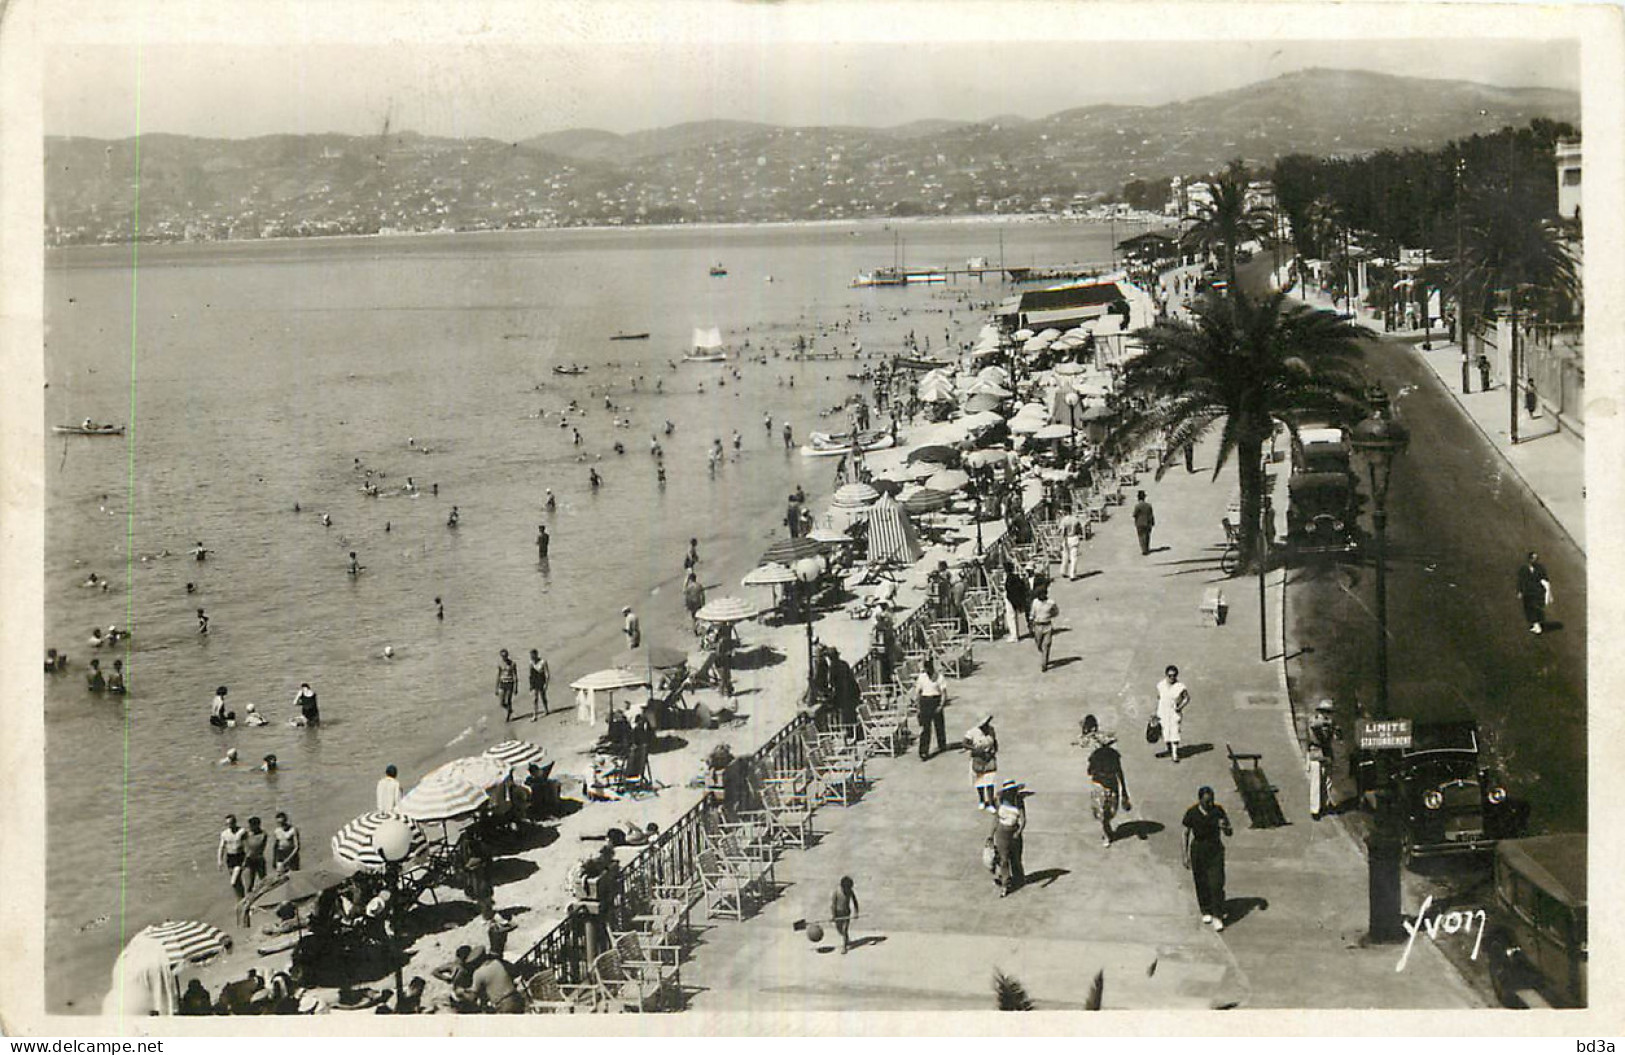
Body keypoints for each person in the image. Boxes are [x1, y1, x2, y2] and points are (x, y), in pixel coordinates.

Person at [1182, 786, 1234, 931]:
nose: (1210, 804)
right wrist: (1184, 855)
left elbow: (1230, 832)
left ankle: (1217, 915)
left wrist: (1224, 828)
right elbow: (1185, 833)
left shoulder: (1218, 811)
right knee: (1201, 881)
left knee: (1216, 882)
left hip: (1215, 849)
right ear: (1200, 801)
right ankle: (1206, 909)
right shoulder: (1192, 813)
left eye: (1211, 801)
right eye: (1206, 802)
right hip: (1198, 849)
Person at [1080, 715, 1131, 847]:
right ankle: (1107, 834)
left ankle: (1107, 830)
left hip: (1108, 785)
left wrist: (1124, 792)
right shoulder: (1103, 756)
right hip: (1101, 785)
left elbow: (1118, 772)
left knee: (1110, 812)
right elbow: (1118, 773)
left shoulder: (1109, 757)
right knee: (1103, 813)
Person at [454, 945, 525, 1014]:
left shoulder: (479, 973)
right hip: (516, 998)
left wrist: (461, 992)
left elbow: (472, 997)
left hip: (504, 1005)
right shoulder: (496, 962)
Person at [990, 780, 1027, 896]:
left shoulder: (1018, 801)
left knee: (1016, 857)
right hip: (1002, 832)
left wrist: (1019, 831)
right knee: (1003, 859)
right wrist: (991, 834)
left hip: (1014, 831)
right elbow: (996, 818)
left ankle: (1018, 879)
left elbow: (1023, 819)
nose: (1010, 794)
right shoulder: (999, 801)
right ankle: (1005, 884)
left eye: (1012, 791)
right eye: (1008, 791)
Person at [914, 657, 947, 760]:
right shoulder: (922, 677)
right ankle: (923, 751)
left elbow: (944, 693)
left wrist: (941, 705)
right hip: (925, 702)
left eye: (930, 669)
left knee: (939, 725)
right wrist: (918, 707)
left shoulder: (939, 677)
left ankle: (942, 745)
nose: (929, 672)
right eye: (927, 669)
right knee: (925, 729)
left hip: (935, 700)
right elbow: (918, 693)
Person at [1156, 665, 1190, 763]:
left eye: (1174, 675)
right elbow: (1159, 697)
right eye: (1169, 675)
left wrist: (1180, 707)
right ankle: (1169, 749)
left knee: (1174, 731)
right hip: (1162, 712)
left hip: (1174, 712)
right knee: (1165, 732)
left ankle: (1175, 753)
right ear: (1166, 675)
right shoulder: (1160, 685)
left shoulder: (1180, 686)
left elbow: (1187, 698)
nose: (1172, 678)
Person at [964, 716, 999, 812]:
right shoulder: (972, 732)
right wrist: (975, 749)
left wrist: (994, 751)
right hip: (978, 758)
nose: (986, 726)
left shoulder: (991, 729)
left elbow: (994, 741)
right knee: (980, 781)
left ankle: (991, 803)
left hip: (989, 758)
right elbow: (964, 744)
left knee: (990, 781)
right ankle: (982, 800)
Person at [1516, 551, 1552, 634]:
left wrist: (1549, 593)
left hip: (1537, 592)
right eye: (1533, 558)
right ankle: (1535, 624)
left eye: (1536, 559)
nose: (1535, 560)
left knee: (1535, 608)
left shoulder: (1540, 568)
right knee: (1528, 609)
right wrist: (1520, 591)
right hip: (1527, 592)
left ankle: (1537, 626)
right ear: (1529, 559)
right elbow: (1520, 580)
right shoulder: (1523, 569)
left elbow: (1545, 580)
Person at [218, 815, 249, 898]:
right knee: (237, 882)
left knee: (233, 882)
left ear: (235, 822)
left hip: (240, 857)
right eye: (227, 824)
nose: (229, 825)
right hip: (230, 858)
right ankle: (241, 898)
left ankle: (242, 898)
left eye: (231, 823)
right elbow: (221, 847)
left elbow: (248, 845)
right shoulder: (224, 834)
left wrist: (246, 859)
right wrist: (220, 861)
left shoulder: (242, 831)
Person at [1029, 589, 1059, 673]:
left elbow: (1056, 612)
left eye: (1042, 594)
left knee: (1046, 644)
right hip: (1037, 625)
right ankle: (1044, 655)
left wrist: (1050, 616)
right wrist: (1031, 624)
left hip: (1047, 625)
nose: (1041, 596)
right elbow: (1032, 613)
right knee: (1039, 644)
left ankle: (1044, 664)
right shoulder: (1035, 602)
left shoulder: (1051, 602)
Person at [829, 876, 860, 954]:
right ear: (842, 887)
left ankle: (844, 947)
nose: (847, 890)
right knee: (839, 930)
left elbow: (855, 902)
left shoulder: (850, 891)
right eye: (845, 889)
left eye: (848, 889)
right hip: (837, 913)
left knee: (844, 930)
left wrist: (856, 912)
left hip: (846, 913)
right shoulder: (836, 892)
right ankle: (846, 939)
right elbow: (833, 905)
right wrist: (833, 916)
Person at [241, 817, 269, 894]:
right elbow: (243, 847)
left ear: (257, 825)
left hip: (259, 859)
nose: (249, 827)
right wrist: (244, 860)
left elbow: (260, 847)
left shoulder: (263, 834)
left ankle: (265, 896)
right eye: (249, 825)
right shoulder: (245, 834)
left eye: (251, 825)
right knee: (249, 883)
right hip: (249, 859)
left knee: (263, 880)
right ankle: (248, 899)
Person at [1003, 562, 1029, 642]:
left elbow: (1010, 591)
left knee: (1011, 617)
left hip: (1011, 600)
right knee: (1014, 618)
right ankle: (1015, 634)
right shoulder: (1016, 577)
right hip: (1015, 600)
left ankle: (1014, 636)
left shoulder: (1009, 578)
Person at [1059, 511, 1084, 580]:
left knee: (1065, 556)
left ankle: (1063, 571)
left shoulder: (1063, 520)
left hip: (1066, 538)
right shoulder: (1075, 519)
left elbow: (1061, 532)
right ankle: (1072, 574)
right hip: (1074, 538)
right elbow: (1080, 530)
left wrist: (1061, 541)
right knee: (1074, 558)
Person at [495, 650, 518, 720]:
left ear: (507, 655)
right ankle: (510, 710)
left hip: (510, 683)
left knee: (508, 700)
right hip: (502, 683)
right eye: (503, 656)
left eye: (505, 655)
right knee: (501, 703)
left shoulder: (512, 663)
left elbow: (515, 676)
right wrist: (496, 687)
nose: (504, 657)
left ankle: (508, 717)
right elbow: (498, 675)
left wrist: (516, 687)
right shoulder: (500, 664)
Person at [528, 649, 551, 718]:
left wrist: (546, 684)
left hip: (541, 680)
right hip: (535, 681)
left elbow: (547, 674)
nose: (532, 657)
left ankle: (546, 710)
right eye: (531, 656)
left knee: (543, 696)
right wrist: (530, 685)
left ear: (536, 655)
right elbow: (530, 674)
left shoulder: (543, 662)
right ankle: (535, 714)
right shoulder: (531, 663)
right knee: (535, 699)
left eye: (533, 655)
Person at [1132, 490, 1156, 555]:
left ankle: (1143, 549)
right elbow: (1151, 514)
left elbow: (1134, 514)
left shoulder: (1137, 506)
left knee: (1141, 536)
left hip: (1139, 523)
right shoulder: (1148, 505)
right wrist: (1153, 522)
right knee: (1147, 536)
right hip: (1147, 522)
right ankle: (1146, 548)